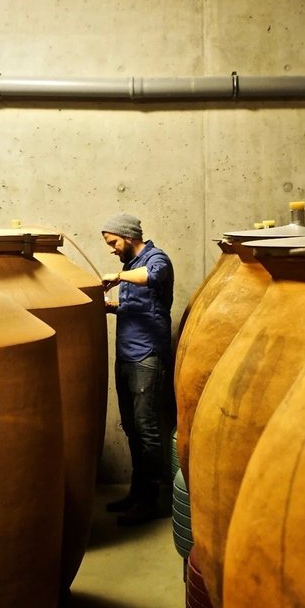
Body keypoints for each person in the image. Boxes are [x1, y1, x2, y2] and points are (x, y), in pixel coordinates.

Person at [100, 213, 174, 526]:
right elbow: (140, 307)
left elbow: (154, 277)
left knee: (147, 431)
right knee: (131, 428)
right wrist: (111, 307)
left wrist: (119, 277)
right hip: (127, 357)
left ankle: (149, 501)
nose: (112, 249)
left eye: (113, 242)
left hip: (147, 357)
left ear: (129, 237)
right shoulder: (131, 265)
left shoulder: (157, 259)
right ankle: (136, 492)